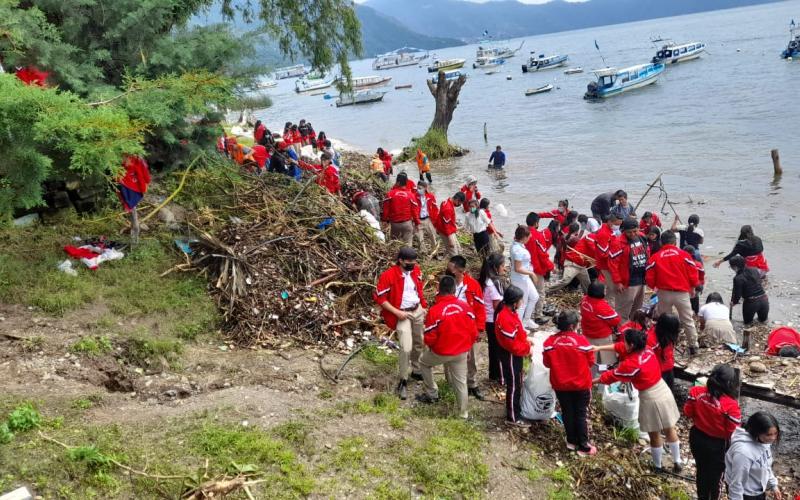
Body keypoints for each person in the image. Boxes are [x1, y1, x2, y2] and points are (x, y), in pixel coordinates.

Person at [595, 328, 683, 473]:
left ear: (631, 345)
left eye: (625, 342)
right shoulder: (648, 350)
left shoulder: (631, 364)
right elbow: (622, 348)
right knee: (669, 428)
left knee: (654, 433)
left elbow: (613, 375)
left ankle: (657, 466)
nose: (623, 344)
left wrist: (593, 381)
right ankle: (677, 460)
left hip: (650, 397)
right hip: (663, 389)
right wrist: (599, 347)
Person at [415, 275, 478, 419]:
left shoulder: (435, 311)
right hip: (461, 351)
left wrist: (430, 347)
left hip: (441, 352)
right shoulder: (465, 307)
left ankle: (432, 393)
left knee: (423, 362)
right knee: (461, 382)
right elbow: (473, 332)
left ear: (439, 289)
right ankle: (463, 414)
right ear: (454, 290)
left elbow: (430, 336)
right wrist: (468, 348)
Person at [373, 248, 428, 400]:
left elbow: (419, 289)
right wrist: (397, 312)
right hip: (401, 313)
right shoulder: (389, 275)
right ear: (401, 261)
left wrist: (423, 306)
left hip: (416, 310)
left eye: (414, 261)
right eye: (410, 262)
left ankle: (416, 370)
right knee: (405, 347)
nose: (413, 264)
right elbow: (380, 298)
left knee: (419, 342)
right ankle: (403, 380)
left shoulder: (416, 270)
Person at [684, 364, 742, 500]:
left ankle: (702, 496)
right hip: (718, 445)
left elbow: (687, 412)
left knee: (701, 469)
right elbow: (732, 432)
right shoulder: (731, 405)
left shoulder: (696, 392)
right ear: (730, 383)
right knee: (716, 477)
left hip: (697, 437)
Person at [543, 310, 596, 455]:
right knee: (580, 413)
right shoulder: (582, 342)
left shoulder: (550, 343)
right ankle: (584, 445)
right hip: (581, 385)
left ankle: (571, 441)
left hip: (560, 384)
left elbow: (547, 363)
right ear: (573, 326)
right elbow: (591, 361)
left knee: (567, 411)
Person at [646, 230, 700, 354]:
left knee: (663, 320)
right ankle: (693, 346)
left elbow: (649, 276)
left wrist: (653, 286)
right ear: (675, 242)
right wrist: (693, 287)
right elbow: (693, 272)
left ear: (661, 242)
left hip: (663, 293)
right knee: (687, 320)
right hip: (681, 293)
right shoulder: (684, 255)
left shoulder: (655, 257)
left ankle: (665, 345)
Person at [447, 256, 487, 400]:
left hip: (467, 327)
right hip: (451, 326)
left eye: (452, 268)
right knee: (450, 355)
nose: (449, 271)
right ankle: (452, 383)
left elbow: (480, 308)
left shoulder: (473, 285)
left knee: (471, 358)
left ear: (461, 270)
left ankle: (472, 384)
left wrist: (480, 328)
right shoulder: (447, 283)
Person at [494, 285, 535, 426]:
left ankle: (516, 408)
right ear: (514, 302)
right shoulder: (505, 317)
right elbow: (512, 345)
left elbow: (518, 331)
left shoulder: (510, 312)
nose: (522, 302)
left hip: (514, 353)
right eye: (521, 300)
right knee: (514, 385)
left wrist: (526, 340)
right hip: (510, 355)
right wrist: (527, 348)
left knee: (517, 382)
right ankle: (513, 417)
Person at [725, 412, 782, 500]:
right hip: (745, 494)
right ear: (757, 432)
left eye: (775, 433)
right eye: (769, 434)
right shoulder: (743, 453)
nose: (773, 438)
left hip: (758, 489)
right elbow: (736, 483)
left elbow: (766, 465)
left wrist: (774, 485)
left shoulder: (764, 441)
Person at [609, 217, 650, 322]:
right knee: (622, 310)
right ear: (623, 231)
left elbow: (648, 254)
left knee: (637, 309)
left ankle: (633, 331)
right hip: (627, 282)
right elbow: (613, 264)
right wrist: (618, 282)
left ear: (638, 229)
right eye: (629, 232)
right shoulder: (618, 243)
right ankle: (619, 333)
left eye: (635, 231)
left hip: (641, 279)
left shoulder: (642, 237)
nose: (632, 234)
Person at [479, 253, 507, 384]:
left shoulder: (487, 280)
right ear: (496, 267)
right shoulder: (494, 283)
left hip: (488, 319)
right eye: (502, 265)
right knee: (498, 349)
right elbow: (497, 305)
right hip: (494, 319)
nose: (504, 268)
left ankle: (493, 374)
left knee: (493, 347)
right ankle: (500, 376)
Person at [580, 281, 621, 366]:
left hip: (587, 333)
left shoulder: (584, 299)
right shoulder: (601, 306)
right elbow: (616, 320)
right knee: (605, 360)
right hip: (601, 337)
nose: (605, 291)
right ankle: (603, 372)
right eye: (604, 289)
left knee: (590, 358)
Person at [525, 213, 554, 322]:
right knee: (539, 292)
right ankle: (537, 315)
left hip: (523, 268)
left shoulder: (521, 233)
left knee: (527, 292)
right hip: (536, 269)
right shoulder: (538, 236)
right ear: (536, 223)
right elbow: (543, 255)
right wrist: (551, 266)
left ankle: (526, 314)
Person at [548, 222, 592, 294]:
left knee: (586, 281)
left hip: (575, 262)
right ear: (577, 231)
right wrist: (582, 231)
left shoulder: (565, 236)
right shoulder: (574, 239)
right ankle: (549, 290)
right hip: (573, 263)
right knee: (565, 280)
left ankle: (589, 296)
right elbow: (579, 241)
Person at [510, 226, 540, 330]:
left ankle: (526, 320)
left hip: (524, 277)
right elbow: (517, 268)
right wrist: (532, 273)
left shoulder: (519, 244)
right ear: (523, 237)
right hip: (520, 279)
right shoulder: (518, 250)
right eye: (528, 236)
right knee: (522, 303)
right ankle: (520, 327)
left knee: (535, 297)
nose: (530, 237)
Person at [729, 255, 769, 325]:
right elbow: (759, 281)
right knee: (763, 322)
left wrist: (734, 302)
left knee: (747, 324)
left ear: (735, 267)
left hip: (751, 303)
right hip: (764, 299)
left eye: (731, 267)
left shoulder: (737, 278)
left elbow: (737, 294)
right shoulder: (754, 270)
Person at [382, 173, 419, 246]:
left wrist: (385, 220)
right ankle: (407, 256)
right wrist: (417, 223)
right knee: (408, 245)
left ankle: (397, 256)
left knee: (394, 244)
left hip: (395, 224)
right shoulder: (411, 195)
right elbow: (415, 211)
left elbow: (386, 209)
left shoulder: (390, 194)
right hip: (407, 224)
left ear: (398, 182)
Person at [593, 214, 621, 308]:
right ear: (610, 222)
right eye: (617, 224)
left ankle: (608, 304)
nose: (618, 227)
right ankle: (610, 306)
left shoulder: (610, 231)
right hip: (605, 264)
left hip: (610, 263)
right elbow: (603, 254)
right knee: (613, 287)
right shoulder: (603, 234)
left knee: (610, 287)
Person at [650, 313, 679, 390]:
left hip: (668, 366)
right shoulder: (652, 341)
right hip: (659, 371)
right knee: (662, 390)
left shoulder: (666, 335)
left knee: (670, 389)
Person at [435, 192, 465, 257]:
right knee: (454, 253)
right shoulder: (448, 208)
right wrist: (450, 240)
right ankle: (454, 265)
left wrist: (437, 228)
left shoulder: (445, 201)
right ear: (457, 200)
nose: (459, 205)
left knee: (459, 249)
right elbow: (447, 226)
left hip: (449, 230)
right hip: (447, 232)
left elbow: (440, 216)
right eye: (460, 203)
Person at [415, 181, 439, 255]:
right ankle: (423, 254)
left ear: (425, 188)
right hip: (418, 220)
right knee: (420, 239)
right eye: (417, 188)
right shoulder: (414, 196)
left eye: (420, 188)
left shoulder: (430, 196)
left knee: (433, 237)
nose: (418, 190)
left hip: (428, 220)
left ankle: (434, 253)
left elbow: (435, 209)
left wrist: (435, 222)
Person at [684, 244, 705, 315]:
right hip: (696, 287)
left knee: (686, 307)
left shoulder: (682, 263)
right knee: (695, 304)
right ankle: (695, 317)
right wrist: (701, 287)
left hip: (685, 289)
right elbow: (702, 277)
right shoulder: (698, 264)